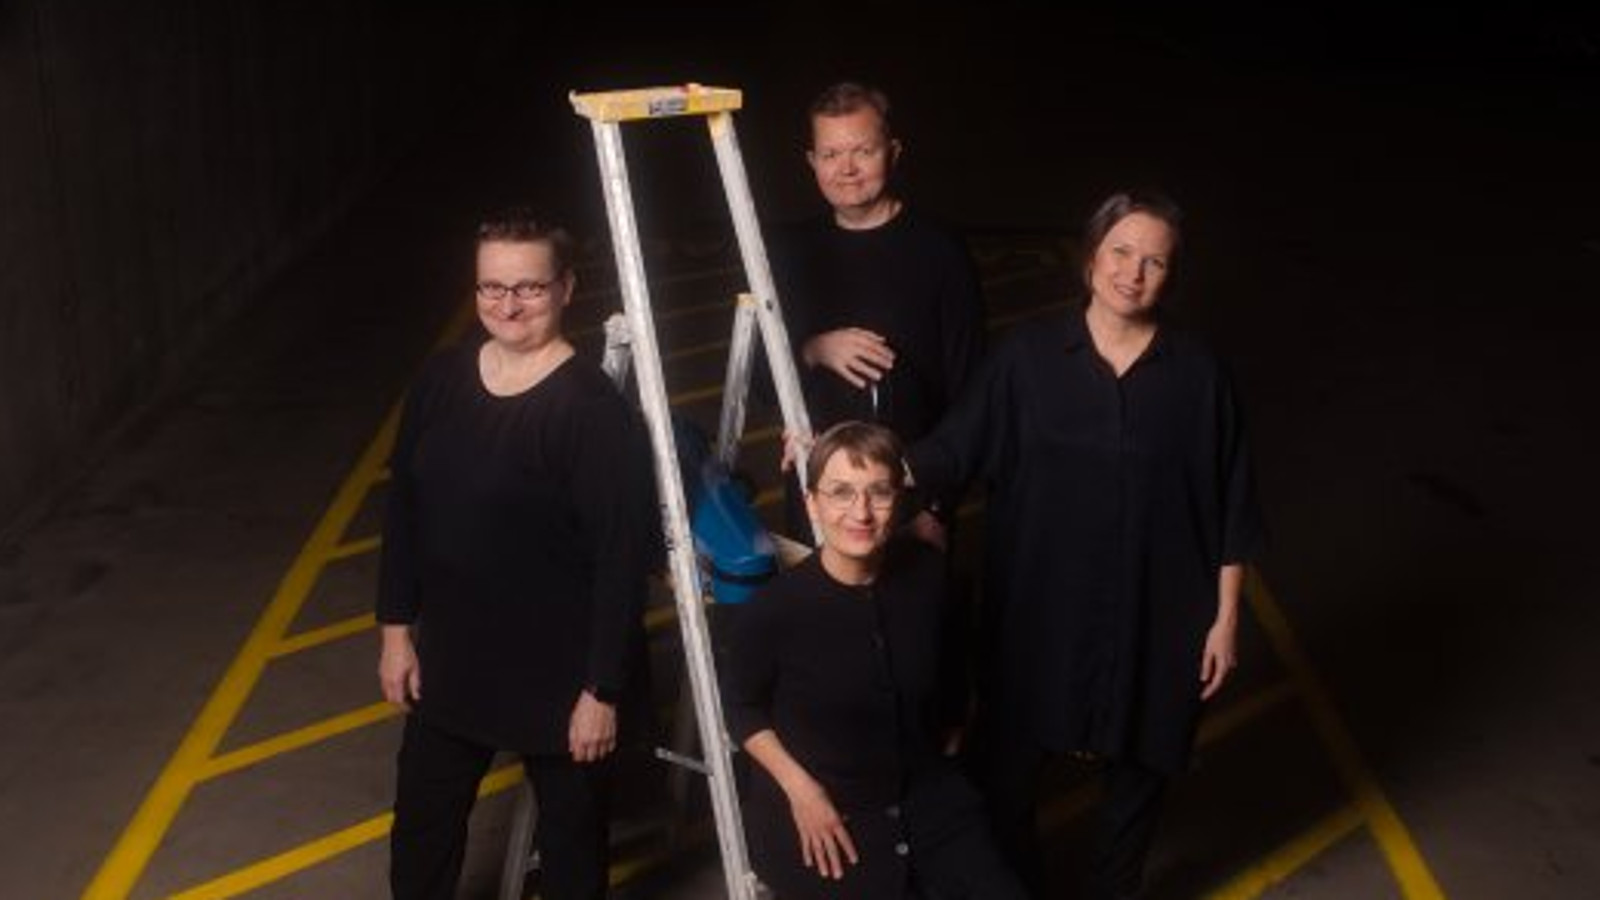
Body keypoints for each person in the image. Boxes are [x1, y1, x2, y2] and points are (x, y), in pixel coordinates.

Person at [906, 189, 1266, 899]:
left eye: (1154, 261)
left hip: (1159, 617)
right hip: (1039, 613)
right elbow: (952, 449)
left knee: (1140, 776)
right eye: (1121, 252)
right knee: (1003, 775)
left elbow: (1232, 501)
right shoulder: (1028, 358)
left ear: (1171, 276)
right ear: (1091, 257)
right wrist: (859, 463)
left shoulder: (1198, 374)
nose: (1133, 273)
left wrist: (1225, 619)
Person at [375, 209, 659, 900]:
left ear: (566, 288)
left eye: (528, 288)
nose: (507, 305)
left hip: (560, 674)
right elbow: (404, 508)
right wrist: (395, 633)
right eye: (492, 288)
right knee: (422, 832)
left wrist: (602, 692)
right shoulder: (442, 378)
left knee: (571, 849)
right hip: (454, 658)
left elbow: (621, 560)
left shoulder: (591, 411)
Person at [724, 421, 1028, 900]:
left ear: (899, 501)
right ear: (812, 504)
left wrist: (951, 734)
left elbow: (952, 668)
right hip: (828, 812)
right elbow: (741, 708)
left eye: (879, 493)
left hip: (925, 798)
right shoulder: (773, 609)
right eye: (841, 492)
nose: (861, 512)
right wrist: (802, 791)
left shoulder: (931, 577)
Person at [771, 81, 986, 549]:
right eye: (831, 155)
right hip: (816, 500)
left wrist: (937, 507)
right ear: (812, 161)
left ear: (893, 152)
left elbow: (973, 396)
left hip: (908, 501)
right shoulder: (789, 252)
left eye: (863, 151)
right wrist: (812, 350)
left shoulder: (940, 252)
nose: (846, 169)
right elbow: (759, 382)